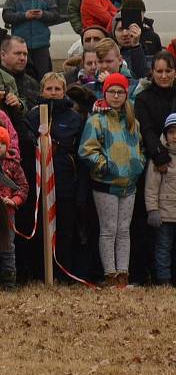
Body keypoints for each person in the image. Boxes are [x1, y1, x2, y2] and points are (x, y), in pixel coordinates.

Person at [79, 73, 145, 288]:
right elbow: (87, 149)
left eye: (120, 92)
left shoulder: (132, 120)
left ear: (126, 95)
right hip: (105, 184)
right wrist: (104, 166)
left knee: (124, 230)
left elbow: (140, 147)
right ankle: (110, 274)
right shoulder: (97, 119)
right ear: (104, 93)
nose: (116, 96)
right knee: (108, 229)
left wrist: (138, 164)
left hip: (129, 183)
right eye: (111, 92)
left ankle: (123, 275)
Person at [27, 73, 87, 281]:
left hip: (65, 181)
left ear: (64, 91)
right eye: (49, 89)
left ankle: (65, 274)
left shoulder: (74, 117)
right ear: (42, 90)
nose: (53, 93)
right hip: (40, 183)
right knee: (42, 229)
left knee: (65, 229)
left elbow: (80, 152)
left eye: (57, 89)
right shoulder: (33, 116)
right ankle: (42, 273)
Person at [0, 125, 28, 290]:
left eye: (2, 142)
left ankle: (9, 281)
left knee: (8, 245)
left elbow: (23, 187)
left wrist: (14, 201)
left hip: (7, 212)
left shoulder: (13, 164)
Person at [1, 0, 59, 78]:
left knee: (43, 76)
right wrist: (24, 16)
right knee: (23, 75)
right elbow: (6, 16)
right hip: (21, 45)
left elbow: (55, 15)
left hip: (41, 45)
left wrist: (43, 14)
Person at [144, 112, 176, 285]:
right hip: (164, 214)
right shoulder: (160, 158)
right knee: (163, 248)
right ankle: (163, 280)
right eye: (171, 132)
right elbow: (151, 186)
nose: (175, 136)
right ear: (165, 134)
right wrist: (152, 210)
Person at [135, 51, 176, 178]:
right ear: (152, 72)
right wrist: (160, 155)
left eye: (168, 71)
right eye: (159, 71)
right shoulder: (143, 98)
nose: (164, 76)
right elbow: (147, 130)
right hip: (156, 160)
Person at [0, 36, 40, 110]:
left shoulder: (32, 83)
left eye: (25, 54)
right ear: (3, 55)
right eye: (17, 53)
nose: (22, 58)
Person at [112, 15, 150, 80]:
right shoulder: (109, 55)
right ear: (114, 33)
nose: (125, 33)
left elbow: (141, 77)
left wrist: (135, 46)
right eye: (120, 29)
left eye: (128, 28)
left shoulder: (146, 53)